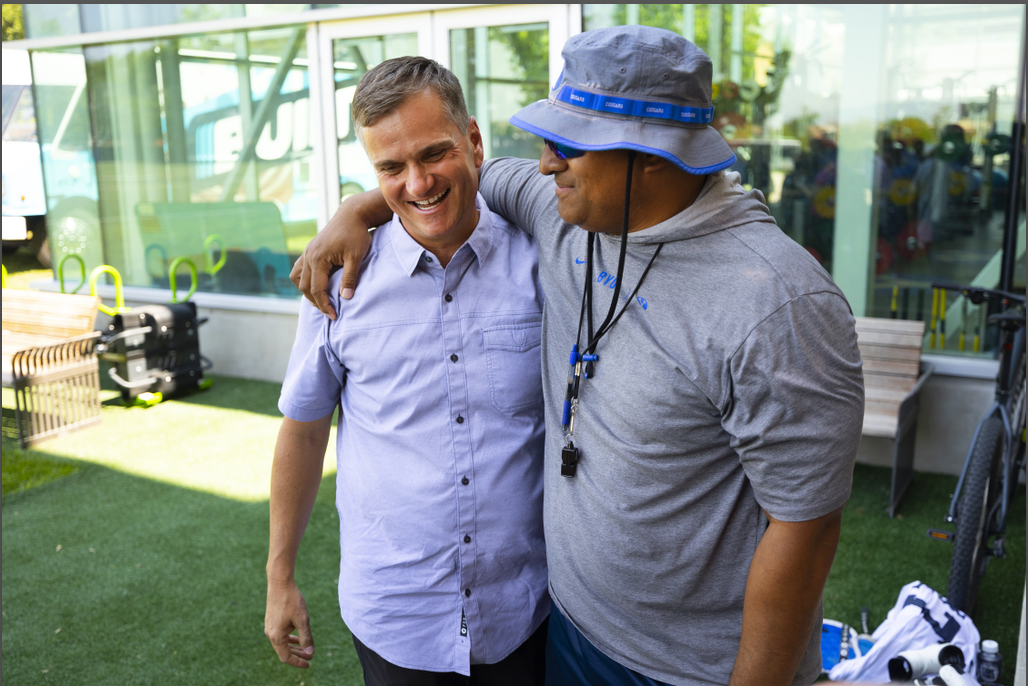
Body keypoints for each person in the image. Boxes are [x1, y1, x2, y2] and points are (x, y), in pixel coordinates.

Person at [293, 26, 865, 686]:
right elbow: (446, 181)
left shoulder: (779, 304)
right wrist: (356, 210)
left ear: (650, 155)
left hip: (690, 671)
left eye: (568, 144)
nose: (544, 164)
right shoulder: (562, 206)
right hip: (566, 631)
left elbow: (806, 529)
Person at [265, 56, 549, 686]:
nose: (417, 183)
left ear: (474, 141)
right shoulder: (336, 283)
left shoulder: (541, 260)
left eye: (434, 153)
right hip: (397, 617)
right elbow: (304, 429)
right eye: (390, 168)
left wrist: (358, 205)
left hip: (527, 611)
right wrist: (279, 577)